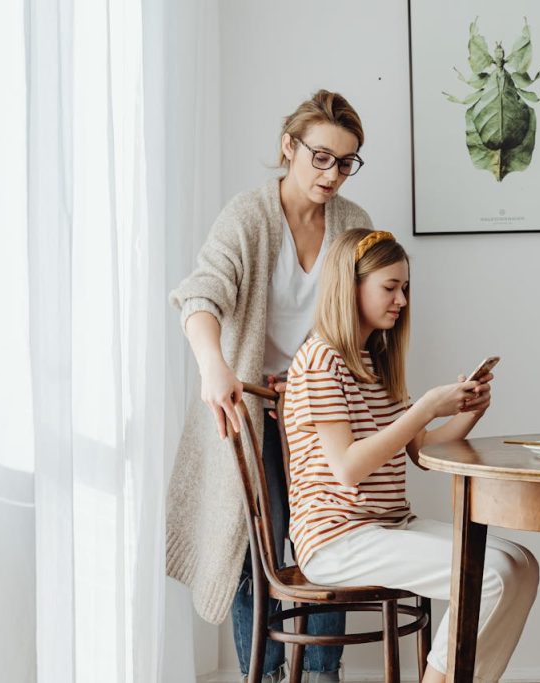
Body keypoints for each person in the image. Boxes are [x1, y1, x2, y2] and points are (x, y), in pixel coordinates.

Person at [167, 89, 373, 683]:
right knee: (252, 550)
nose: (331, 174)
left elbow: (369, 321)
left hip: (322, 413)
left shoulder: (353, 225)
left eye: (346, 161)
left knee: (329, 543)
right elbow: (201, 294)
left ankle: (320, 674)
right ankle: (267, 670)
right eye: (320, 157)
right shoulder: (248, 218)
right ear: (289, 147)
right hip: (249, 409)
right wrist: (214, 365)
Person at [285, 228, 539, 683]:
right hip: (335, 539)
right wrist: (424, 407)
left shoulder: (376, 361)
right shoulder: (320, 361)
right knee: (493, 574)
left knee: (521, 564)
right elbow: (348, 467)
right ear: (351, 286)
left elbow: (421, 452)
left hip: (386, 524)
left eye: (404, 288)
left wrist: (467, 411)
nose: (401, 300)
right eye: (390, 287)